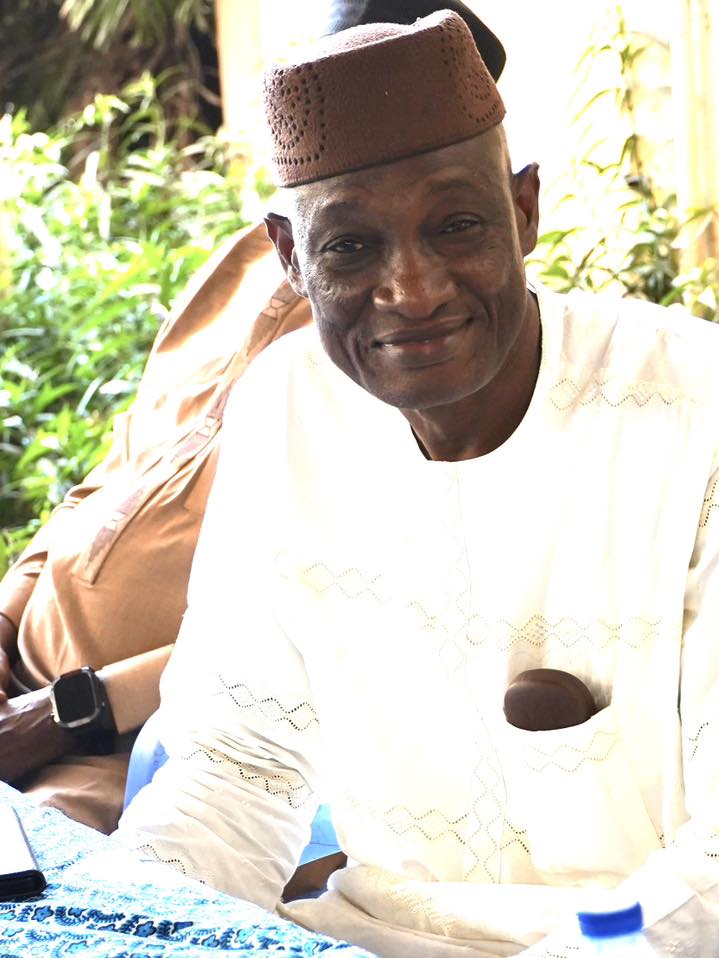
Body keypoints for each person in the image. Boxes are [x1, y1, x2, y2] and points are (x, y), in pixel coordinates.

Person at [114, 11, 719, 958]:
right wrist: (125, 922)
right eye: (350, 247)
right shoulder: (284, 408)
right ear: (292, 257)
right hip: (371, 936)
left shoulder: (716, 407)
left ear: (524, 210)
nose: (413, 289)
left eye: (456, 226)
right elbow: (237, 767)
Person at [0, 0, 504, 839]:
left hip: (135, 747)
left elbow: (350, 623)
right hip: (25, 680)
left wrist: (74, 711)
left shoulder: (436, 341)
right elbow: (117, 468)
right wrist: (6, 614)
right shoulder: (241, 264)